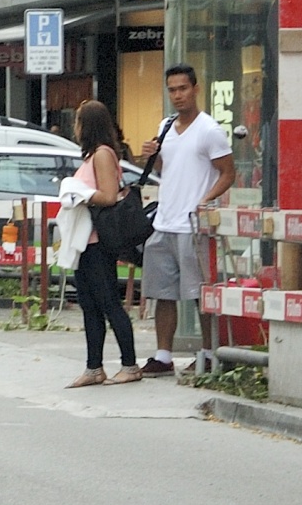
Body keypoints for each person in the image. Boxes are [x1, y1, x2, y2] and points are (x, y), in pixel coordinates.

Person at [139, 63, 236, 376]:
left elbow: (228, 172)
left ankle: (208, 353)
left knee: (199, 294)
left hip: (193, 226)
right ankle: (163, 355)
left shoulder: (209, 130)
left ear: (196, 88)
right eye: (172, 90)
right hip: (164, 221)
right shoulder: (166, 125)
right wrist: (148, 157)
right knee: (163, 294)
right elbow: (163, 171)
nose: (177, 95)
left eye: (183, 88)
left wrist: (205, 201)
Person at [61, 100, 141, 387]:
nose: (75, 127)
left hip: (98, 241)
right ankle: (93, 366)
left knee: (109, 302)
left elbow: (108, 196)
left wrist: (78, 193)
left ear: (88, 125)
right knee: (89, 304)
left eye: (78, 121)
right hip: (85, 241)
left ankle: (130, 364)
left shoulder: (103, 155)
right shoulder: (92, 155)